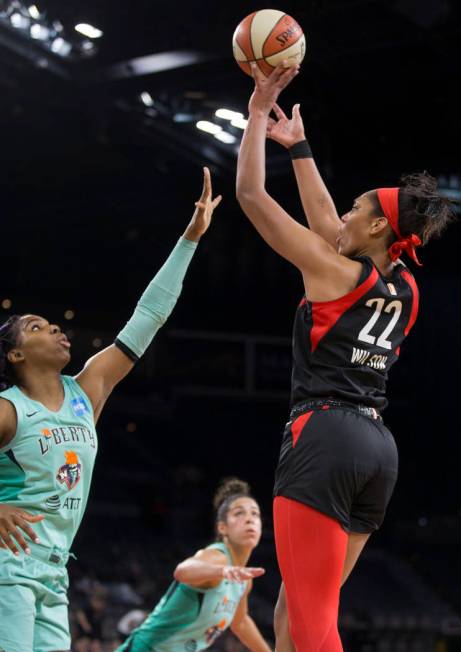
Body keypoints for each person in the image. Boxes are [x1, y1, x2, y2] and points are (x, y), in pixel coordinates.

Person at [236, 61, 456, 652]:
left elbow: (251, 195)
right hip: (378, 453)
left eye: (357, 207)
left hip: (325, 437)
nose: (345, 215)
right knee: (296, 609)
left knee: (310, 625)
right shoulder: (407, 287)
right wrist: (300, 146)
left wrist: (257, 112)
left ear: (380, 224)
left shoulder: (332, 271)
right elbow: (334, 227)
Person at [0, 167, 222, 652]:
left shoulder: (87, 389)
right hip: (6, 570)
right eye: (37, 328)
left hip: (55, 573)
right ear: (15, 355)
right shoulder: (8, 410)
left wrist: (190, 238)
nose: (56, 329)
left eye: (54, 324)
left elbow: (149, 316)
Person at [116, 478, 271, 652]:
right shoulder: (217, 557)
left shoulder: (244, 580)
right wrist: (221, 570)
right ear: (222, 528)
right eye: (239, 513)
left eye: (255, 514)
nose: (250, 519)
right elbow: (182, 571)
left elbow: (240, 622)